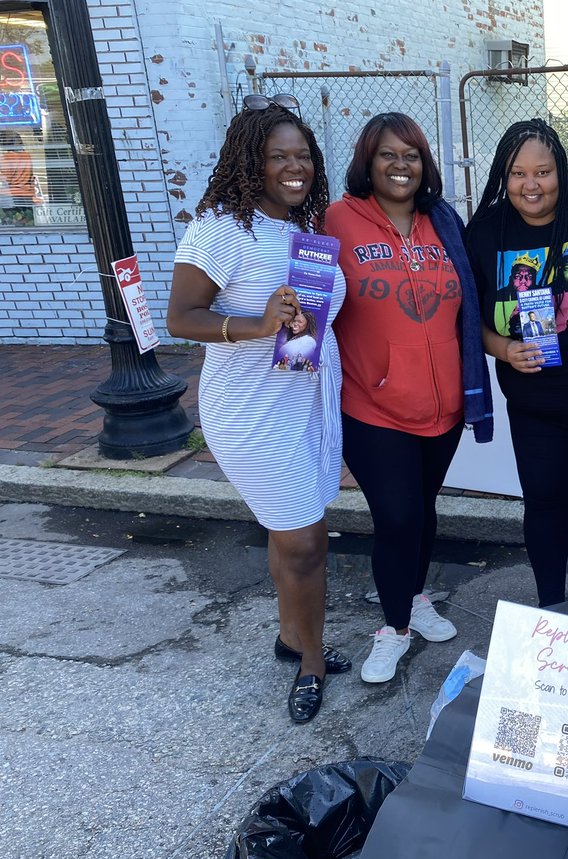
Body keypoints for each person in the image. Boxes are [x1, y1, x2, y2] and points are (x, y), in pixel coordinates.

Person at [166, 100, 348, 724]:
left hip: (303, 398)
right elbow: (180, 317)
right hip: (249, 408)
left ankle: (292, 635)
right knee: (305, 540)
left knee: (287, 527)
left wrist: (293, 323)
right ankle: (313, 662)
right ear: (252, 162)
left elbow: (309, 321)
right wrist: (256, 324)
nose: (294, 167)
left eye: (303, 156)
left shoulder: (305, 230)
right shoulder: (222, 226)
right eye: (278, 157)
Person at [325, 112, 493, 684]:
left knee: (422, 512)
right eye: (388, 156)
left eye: (412, 155)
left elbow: (467, 300)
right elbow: (309, 303)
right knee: (397, 517)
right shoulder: (336, 222)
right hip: (372, 406)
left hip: (442, 405)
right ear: (367, 164)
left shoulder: (442, 221)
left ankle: (415, 599)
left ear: (425, 165)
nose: (401, 166)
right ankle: (393, 627)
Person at [465, 118, 568, 607]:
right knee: (545, 505)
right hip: (536, 402)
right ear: (503, 174)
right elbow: (467, 316)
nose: (531, 185)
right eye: (518, 173)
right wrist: (504, 349)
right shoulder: (485, 232)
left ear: (561, 170)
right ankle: (549, 609)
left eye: (543, 172)